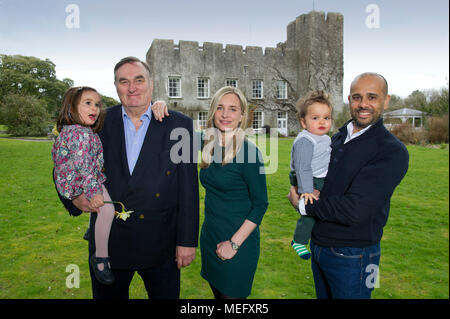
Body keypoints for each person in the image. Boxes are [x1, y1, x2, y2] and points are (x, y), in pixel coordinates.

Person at [55, 56, 199, 299]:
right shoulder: (96, 122)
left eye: (139, 80)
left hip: (161, 244)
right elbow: (63, 162)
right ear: (115, 86)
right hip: (110, 247)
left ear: (151, 84)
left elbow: (188, 188)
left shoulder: (179, 125)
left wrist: (187, 241)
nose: (132, 88)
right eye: (124, 81)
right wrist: (75, 197)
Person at [288, 72, 409, 299]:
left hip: (356, 255)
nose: (363, 104)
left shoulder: (391, 151)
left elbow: (355, 209)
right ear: (349, 99)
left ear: (386, 100)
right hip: (320, 245)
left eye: (372, 97)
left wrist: (303, 205)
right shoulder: (336, 137)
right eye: (357, 97)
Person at [152, 86, 268, 299]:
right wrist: (160, 105)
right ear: (213, 111)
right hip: (211, 238)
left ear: (242, 115)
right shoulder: (207, 141)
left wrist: (233, 244)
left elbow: (261, 204)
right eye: (220, 108)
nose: (225, 115)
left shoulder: (250, 153)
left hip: (238, 244)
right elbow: (175, 127)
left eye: (233, 109)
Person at [52, 86, 116, 285]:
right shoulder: (80, 135)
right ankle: (101, 259)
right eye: (87, 103)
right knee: (107, 209)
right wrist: (94, 192)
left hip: (79, 177)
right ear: (71, 107)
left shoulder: (78, 131)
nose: (95, 108)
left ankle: (93, 228)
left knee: (101, 208)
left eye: (97, 104)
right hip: (80, 180)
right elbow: (84, 167)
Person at [289, 90, 332, 260]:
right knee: (310, 210)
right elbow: (302, 167)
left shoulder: (325, 138)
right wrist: (306, 189)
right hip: (306, 178)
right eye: (315, 118)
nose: (322, 122)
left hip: (317, 177)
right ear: (303, 122)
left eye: (326, 118)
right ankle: (299, 240)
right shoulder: (306, 140)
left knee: (320, 208)